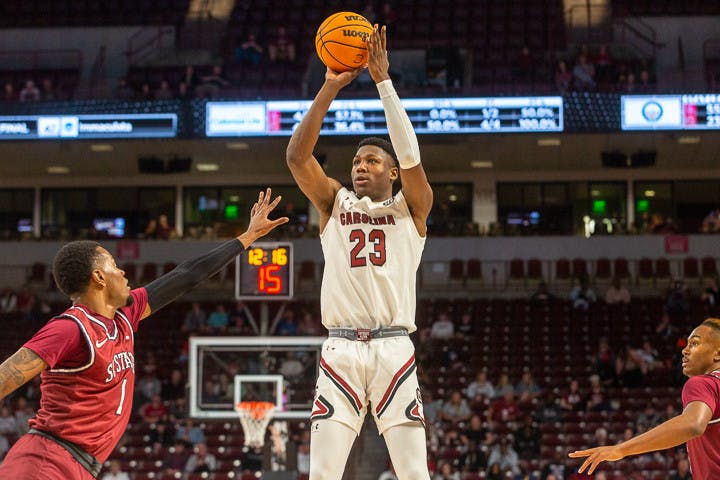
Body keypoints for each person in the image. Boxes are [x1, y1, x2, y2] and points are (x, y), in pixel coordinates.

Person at [0, 189, 287, 479]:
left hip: (79, 466)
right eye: (113, 264)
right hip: (43, 462)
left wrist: (248, 238)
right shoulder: (70, 328)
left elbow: (187, 275)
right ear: (98, 277)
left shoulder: (125, 316)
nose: (123, 272)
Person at [285, 24, 433, 480]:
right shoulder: (334, 201)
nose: (360, 166)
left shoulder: (412, 207)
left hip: (393, 346)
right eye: (355, 161)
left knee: (414, 473)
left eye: (371, 161)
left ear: (391, 173)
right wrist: (330, 86)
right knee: (323, 474)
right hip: (341, 348)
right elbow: (296, 157)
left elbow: (411, 158)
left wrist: (383, 82)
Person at [569, 318, 720, 477]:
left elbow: (693, 424)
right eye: (687, 344)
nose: (684, 350)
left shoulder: (704, 384)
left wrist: (621, 449)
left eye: (695, 344)